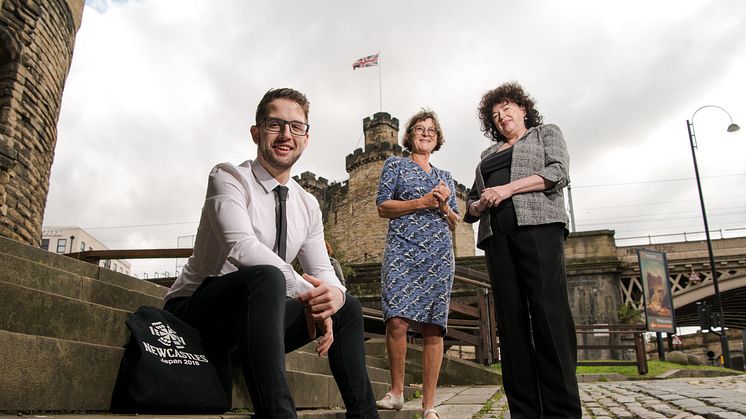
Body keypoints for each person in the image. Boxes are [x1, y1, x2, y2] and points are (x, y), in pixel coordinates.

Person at [163, 88, 379, 418]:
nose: (285, 135)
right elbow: (243, 248)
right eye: (275, 124)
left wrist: (331, 297)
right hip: (196, 314)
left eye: (296, 127)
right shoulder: (228, 177)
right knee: (267, 277)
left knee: (346, 306)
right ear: (256, 132)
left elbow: (322, 270)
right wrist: (312, 295)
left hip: (255, 326)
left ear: (306, 138)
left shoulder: (307, 204)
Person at [463, 82, 581, 418]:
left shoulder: (545, 134)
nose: (501, 116)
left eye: (507, 108)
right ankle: (525, 412)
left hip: (540, 230)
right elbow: (471, 203)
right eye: (495, 114)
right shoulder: (487, 156)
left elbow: (558, 172)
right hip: (497, 238)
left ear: (523, 109)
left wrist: (508, 189)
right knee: (511, 325)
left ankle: (562, 411)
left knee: (548, 316)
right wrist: (479, 204)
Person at [375, 109, 459, 419]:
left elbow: (454, 221)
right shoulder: (394, 165)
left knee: (434, 328)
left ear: (437, 140)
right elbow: (383, 206)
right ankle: (396, 392)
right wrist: (422, 202)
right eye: (420, 129)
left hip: (438, 255)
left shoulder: (445, 176)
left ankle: (429, 405)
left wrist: (444, 205)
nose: (425, 134)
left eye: (432, 131)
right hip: (402, 250)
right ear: (409, 135)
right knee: (396, 319)